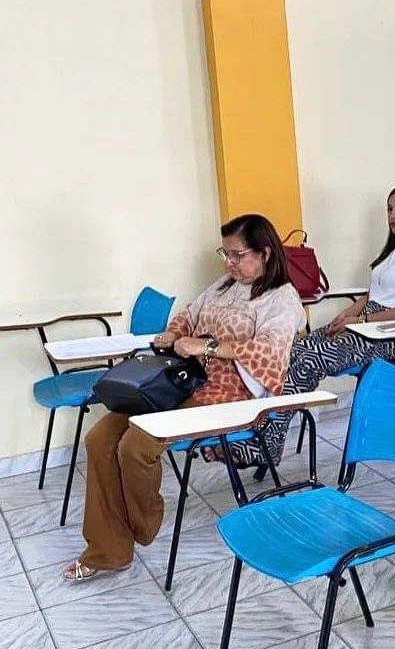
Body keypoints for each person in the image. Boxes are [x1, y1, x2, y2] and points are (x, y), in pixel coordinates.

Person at [63, 214, 306, 582]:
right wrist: (173, 334)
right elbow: (188, 315)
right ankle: (109, 550)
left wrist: (207, 346)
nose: (228, 263)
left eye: (237, 255)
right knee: (98, 440)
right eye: (225, 254)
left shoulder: (282, 299)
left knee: (135, 447)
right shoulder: (223, 286)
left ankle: (138, 523)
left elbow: (271, 354)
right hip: (181, 382)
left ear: (265, 253)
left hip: (227, 395)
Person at [254, 185, 395, 465]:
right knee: (291, 350)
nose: (393, 215)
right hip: (365, 324)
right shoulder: (393, 252)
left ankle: (269, 441)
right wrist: (345, 317)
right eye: (390, 209)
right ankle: (262, 431)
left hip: (392, 336)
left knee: (311, 358)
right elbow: (372, 296)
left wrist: (362, 321)